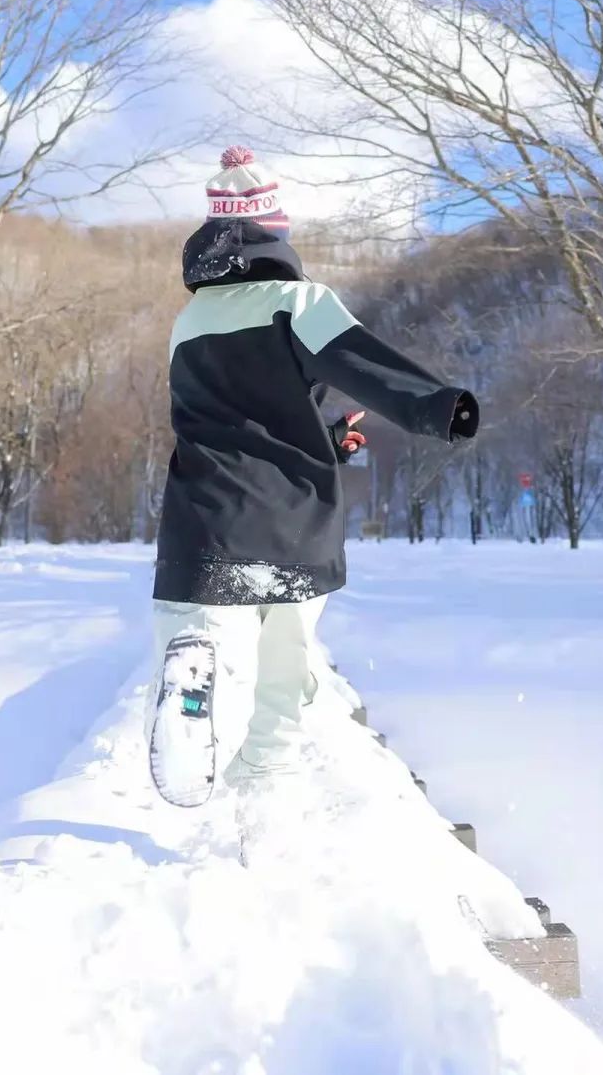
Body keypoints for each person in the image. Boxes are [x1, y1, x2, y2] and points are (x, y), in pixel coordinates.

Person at [147, 146, 478, 807]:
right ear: (274, 232)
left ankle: (191, 667)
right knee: (288, 643)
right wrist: (441, 407)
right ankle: (264, 763)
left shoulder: (189, 322)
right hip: (288, 515)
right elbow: (363, 364)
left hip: (203, 514)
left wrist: (325, 436)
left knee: (196, 625)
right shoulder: (298, 303)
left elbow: (238, 416)